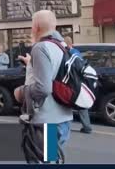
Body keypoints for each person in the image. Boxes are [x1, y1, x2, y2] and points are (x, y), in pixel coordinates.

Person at [14, 10, 73, 157]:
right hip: (63, 118)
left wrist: (22, 92)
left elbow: (44, 88)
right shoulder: (62, 46)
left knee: (43, 160)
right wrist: (31, 65)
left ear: (36, 26)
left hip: (47, 121)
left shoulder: (41, 47)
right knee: (51, 158)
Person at [64, 36, 92, 134]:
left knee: (65, 104)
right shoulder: (77, 52)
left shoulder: (68, 53)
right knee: (81, 105)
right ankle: (87, 127)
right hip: (80, 82)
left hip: (72, 82)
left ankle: (65, 127)